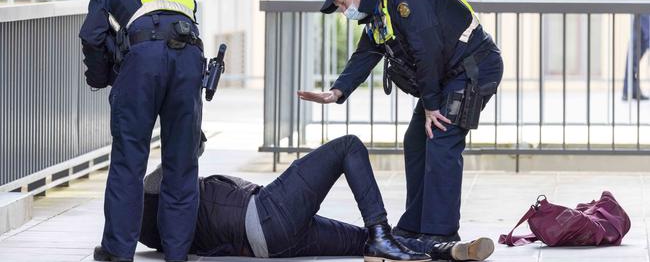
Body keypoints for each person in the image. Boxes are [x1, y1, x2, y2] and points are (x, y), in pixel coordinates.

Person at [298, 0, 504, 244]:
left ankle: (439, 233)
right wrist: (336, 91)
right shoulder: (378, 13)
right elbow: (366, 53)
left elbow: (427, 49)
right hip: (447, 75)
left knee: (441, 138)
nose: (344, 12)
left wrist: (431, 105)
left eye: (343, 3)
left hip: (473, 67)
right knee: (416, 141)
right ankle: (414, 226)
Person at [139, 133, 495, 262]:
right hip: (266, 214)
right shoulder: (149, 206)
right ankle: (385, 233)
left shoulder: (165, 230)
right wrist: (187, 126)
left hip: (275, 244)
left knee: (365, 243)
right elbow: (177, 160)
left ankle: (445, 251)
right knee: (348, 147)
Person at [79, 0, 204, 262]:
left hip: (145, 63)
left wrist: (100, 77)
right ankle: (177, 253)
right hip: (189, 60)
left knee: (129, 160)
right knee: (181, 160)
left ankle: (118, 252)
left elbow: (92, 35)